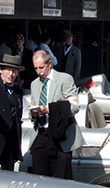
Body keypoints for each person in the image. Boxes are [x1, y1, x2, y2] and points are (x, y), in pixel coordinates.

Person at [29, 50, 84, 179]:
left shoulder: (64, 79)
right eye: (36, 68)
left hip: (60, 134)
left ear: (49, 64)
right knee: (40, 178)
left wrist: (48, 110)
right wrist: (33, 113)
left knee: (62, 178)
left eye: (41, 67)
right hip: (41, 134)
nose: (39, 71)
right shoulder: (34, 84)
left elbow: (74, 107)